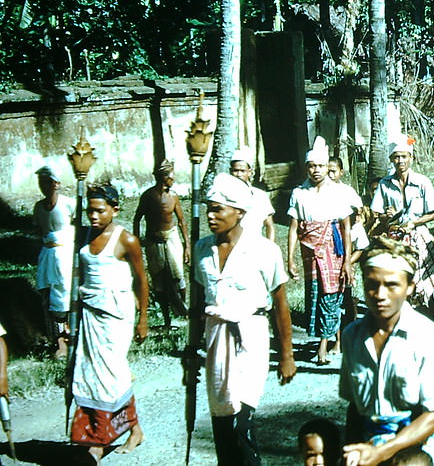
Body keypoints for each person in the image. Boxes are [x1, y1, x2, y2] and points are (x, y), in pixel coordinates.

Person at [191, 173, 296, 466]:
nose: (211, 216)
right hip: (216, 338)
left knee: (240, 422)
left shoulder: (264, 250)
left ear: (239, 212)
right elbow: (198, 306)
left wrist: (286, 355)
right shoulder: (202, 250)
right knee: (222, 424)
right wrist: (191, 350)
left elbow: (280, 305)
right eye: (209, 208)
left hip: (250, 336)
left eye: (218, 209)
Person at [340, 237, 434, 466]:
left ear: (410, 287)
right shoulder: (352, 336)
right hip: (370, 444)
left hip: (421, 448)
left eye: (392, 285)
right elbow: (354, 407)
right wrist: (356, 450)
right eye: (372, 285)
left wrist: (384, 452)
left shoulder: (428, 337)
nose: (380, 295)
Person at [71, 183, 148, 461]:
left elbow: (142, 280)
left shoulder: (126, 240)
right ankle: (128, 430)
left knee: (111, 373)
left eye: (99, 211)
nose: (93, 216)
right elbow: (77, 277)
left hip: (117, 314)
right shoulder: (83, 236)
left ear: (114, 209)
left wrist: (143, 319)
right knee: (89, 372)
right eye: (89, 210)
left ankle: (100, 438)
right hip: (89, 312)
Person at [287, 136, 361, 365]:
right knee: (315, 294)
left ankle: (323, 345)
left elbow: (347, 228)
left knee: (331, 296)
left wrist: (348, 261)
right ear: (306, 167)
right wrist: (289, 259)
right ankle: (324, 338)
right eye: (311, 166)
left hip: (333, 250)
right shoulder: (299, 193)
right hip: (310, 253)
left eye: (320, 166)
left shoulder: (339, 192)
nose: (316, 170)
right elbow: (293, 228)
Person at [370, 135, 434, 310]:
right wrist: (387, 217)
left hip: (419, 236)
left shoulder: (421, 182)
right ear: (391, 159)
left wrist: (414, 223)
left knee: (423, 278)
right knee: (399, 278)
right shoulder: (385, 184)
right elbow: (377, 213)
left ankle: (427, 313)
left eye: (404, 156)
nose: (400, 161)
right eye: (396, 157)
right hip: (395, 238)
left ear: (411, 158)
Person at [133, 160, 189, 328]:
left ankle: (183, 312)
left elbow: (181, 221)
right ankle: (166, 319)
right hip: (153, 240)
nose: (173, 180)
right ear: (164, 178)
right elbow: (137, 218)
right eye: (171, 177)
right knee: (159, 280)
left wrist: (187, 246)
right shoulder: (149, 196)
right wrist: (137, 240)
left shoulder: (174, 197)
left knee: (178, 276)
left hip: (171, 238)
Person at [33, 166, 75, 357]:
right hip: (47, 255)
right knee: (47, 294)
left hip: (65, 254)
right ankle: (57, 340)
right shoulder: (38, 207)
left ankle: (71, 335)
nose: (44, 186)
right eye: (41, 183)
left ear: (56, 184)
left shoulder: (68, 203)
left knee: (64, 293)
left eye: (48, 182)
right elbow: (38, 231)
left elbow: (80, 225)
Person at [230, 148, 277, 241]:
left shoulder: (260, 196)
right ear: (230, 171)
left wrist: (270, 249)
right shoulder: (223, 196)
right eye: (235, 170)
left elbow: (269, 226)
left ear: (249, 172)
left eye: (242, 171)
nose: (239, 174)